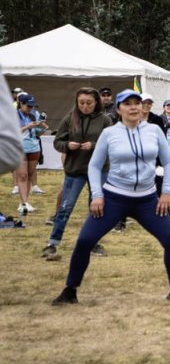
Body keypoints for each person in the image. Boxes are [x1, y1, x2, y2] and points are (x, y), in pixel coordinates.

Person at [51, 90, 170, 305]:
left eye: (137, 103)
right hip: (114, 197)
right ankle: (70, 290)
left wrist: (165, 193)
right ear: (118, 109)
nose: (134, 107)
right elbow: (95, 166)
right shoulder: (109, 134)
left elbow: (169, 161)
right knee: (85, 240)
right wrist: (97, 195)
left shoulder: (154, 130)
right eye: (128, 104)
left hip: (147, 200)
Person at [42, 88, 112, 261]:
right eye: (81, 103)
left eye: (89, 103)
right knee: (65, 206)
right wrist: (68, 146)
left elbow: (113, 142)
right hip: (75, 169)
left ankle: (93, 242)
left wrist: (95, 145)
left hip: (98, 170)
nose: (85, 106)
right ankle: (53, 243)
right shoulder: (70, 118)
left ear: (96, 102)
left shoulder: (105, 120)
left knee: (96, 207)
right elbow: (58, 142)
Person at [14, 93, 47, 214]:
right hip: (18, 147)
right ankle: (23, 203)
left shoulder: (35, 114)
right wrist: (26, 126)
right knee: (22, 175)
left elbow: (38, 133)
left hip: (34, 147)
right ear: (21, 104)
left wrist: (42, 127)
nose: (31, 109)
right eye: (28, 106)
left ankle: (25, 202)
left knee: (29, 174)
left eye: (32, 106)